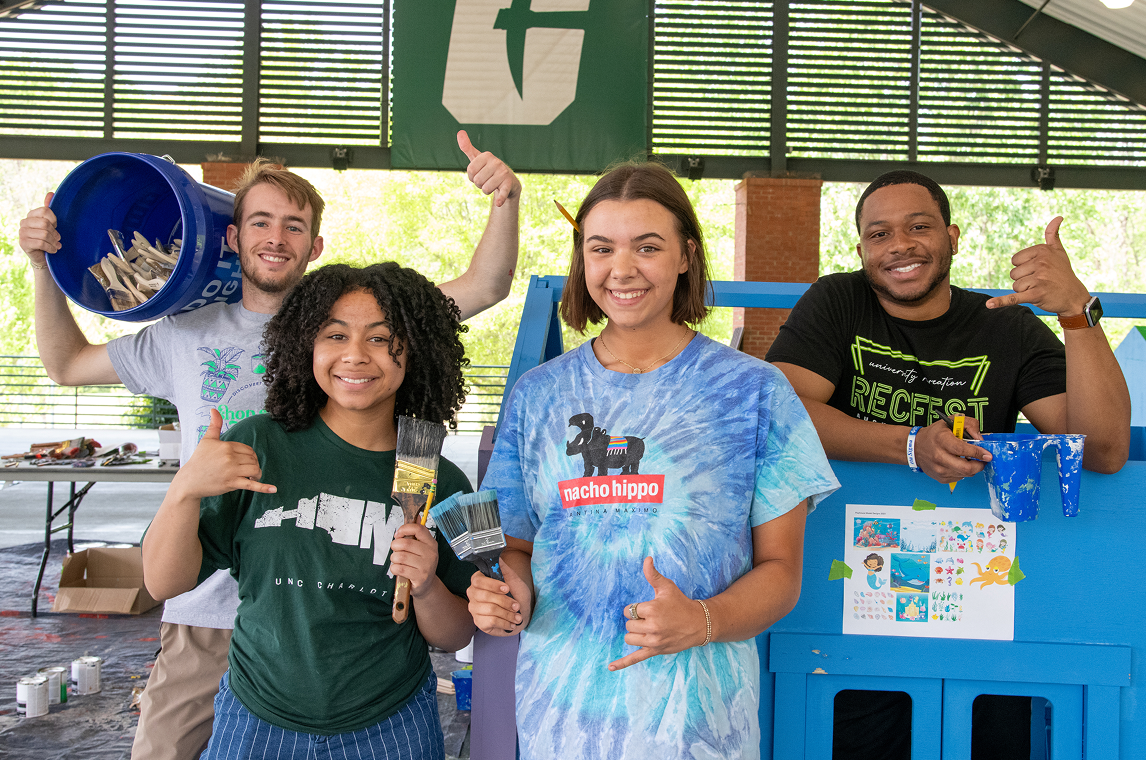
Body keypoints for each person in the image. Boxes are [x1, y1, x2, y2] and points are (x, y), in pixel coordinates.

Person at [17, 131, 520, 760]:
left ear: (316, 245)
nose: (276, 238)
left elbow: (488, 283)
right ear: (231, 236)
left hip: (351, 628)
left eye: (294, 225)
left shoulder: (355, 312)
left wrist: (504, 198)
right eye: (260, 221)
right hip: (208, 606)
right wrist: (41, 267)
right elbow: (65, 363)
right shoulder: (182, 334)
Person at [466, 160, 839, 759]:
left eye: (647, 247)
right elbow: (517, 546)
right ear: (581, 259)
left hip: (698, 729)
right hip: (561, 719)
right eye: (602, 247)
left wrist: (703, 619)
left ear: (686, 255)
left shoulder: (754, 392)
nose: (622, 269)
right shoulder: (538, 394)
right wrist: (502, 597)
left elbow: (781, 573)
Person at [764, 169, 1131, 760]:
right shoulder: (837, 301)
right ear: (860, 250)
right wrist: (909, 445)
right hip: (853, 598)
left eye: (919, 227)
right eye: (879, 234)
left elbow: (1105, 449)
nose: (900, 245)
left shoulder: (1005, 325)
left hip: (980, 601)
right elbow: (780, 413)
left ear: (954, 237)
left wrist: (1076, 315)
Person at [142, 262, 476, 758]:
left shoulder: (437, 478)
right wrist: (184, 491)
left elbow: (455, 634)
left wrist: (425, 586)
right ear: (306, 344)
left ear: (417, 351)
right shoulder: (257, 444)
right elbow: (162, 583)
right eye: (335, 334)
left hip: (390, 725)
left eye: (382, 339)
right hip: (257, 720)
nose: (356, 355)